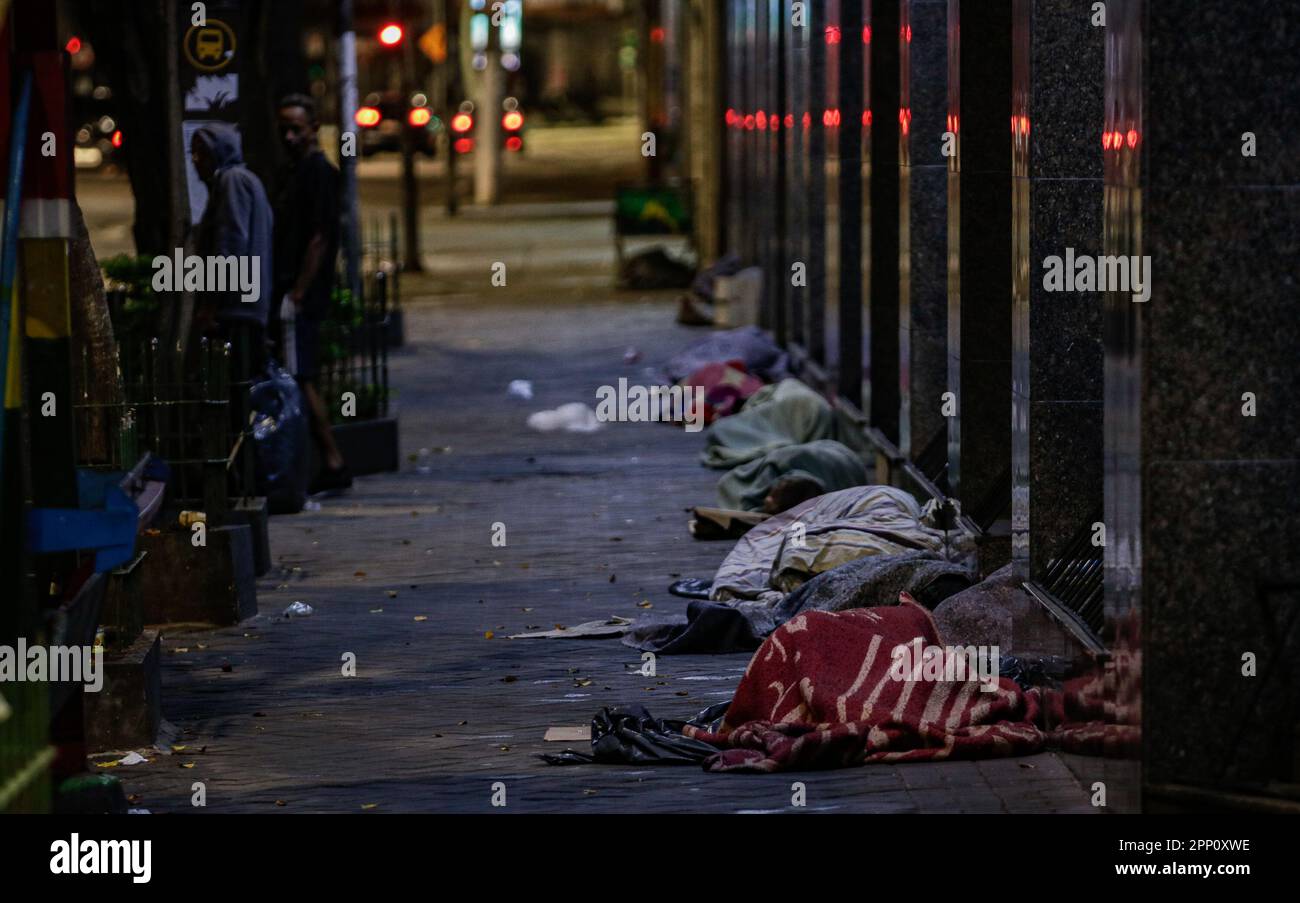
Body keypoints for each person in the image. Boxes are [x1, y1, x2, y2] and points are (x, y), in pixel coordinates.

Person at [269, 93, 351, 493]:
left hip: (300, 292)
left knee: (300, 376)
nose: (288, 136)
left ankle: (331, 458)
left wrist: (298, 291)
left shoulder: (317, 172)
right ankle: (326, 458)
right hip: (295, 288)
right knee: (299, 375)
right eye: (284, 128)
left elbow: (319, 237)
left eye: (296, 129)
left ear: (314, 128)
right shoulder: (299, 170)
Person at [191, 123, 273, 381]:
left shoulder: (232, 181)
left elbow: (231, 245)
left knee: (233, 389)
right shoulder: (247, 181)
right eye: (192, 152)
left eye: (201, 152)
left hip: (235, 310)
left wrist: (211, 305)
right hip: (247, 307)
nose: (195, 161)